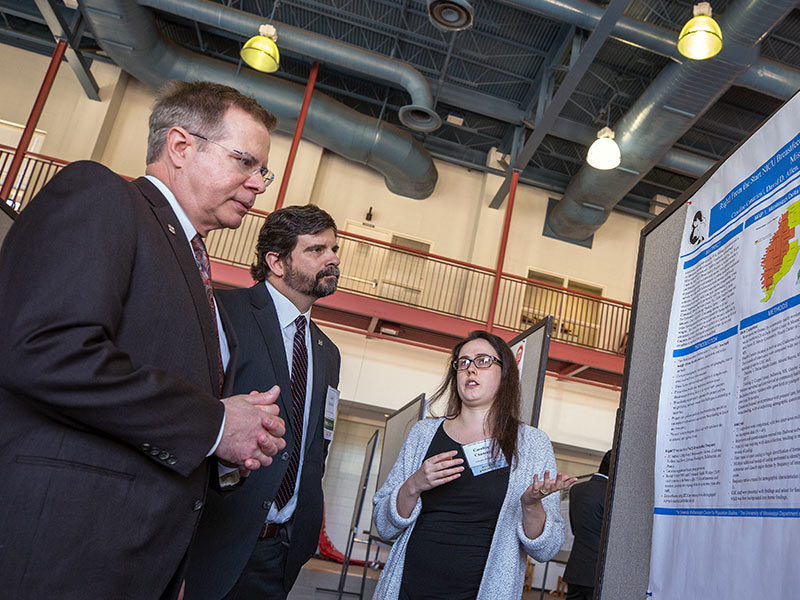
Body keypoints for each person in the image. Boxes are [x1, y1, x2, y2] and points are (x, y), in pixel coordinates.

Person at [0, 80, 287, 600]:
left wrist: (224, 453)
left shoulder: (198, 270)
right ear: (180, 147)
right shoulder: (102, 196)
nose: (258, 184)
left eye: (261, 170)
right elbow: (45, 348)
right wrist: (217, 422)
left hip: (142, 565)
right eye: (245, 161)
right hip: (62, 556)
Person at [185, 204, 342, 600]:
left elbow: (317, 442)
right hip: (211, 539)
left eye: (334, 249)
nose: (333, 258)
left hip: (281, 552)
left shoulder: (327, 352)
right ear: (276, 261)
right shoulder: (222, 313)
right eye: (316, 250)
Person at [372, 330, 577, 600]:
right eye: (463, 362)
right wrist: (413, 485)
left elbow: (546, 549)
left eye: (483, 361)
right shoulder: (423, 434)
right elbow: (384, 526)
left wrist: (530, 505)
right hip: (409, 588)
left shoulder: (531, 444)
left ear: (505, 374)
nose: (470, 369)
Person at [562, 450, 612, 600]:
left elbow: (575, 528)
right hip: (598, 573)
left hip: (575, 569)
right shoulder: (611, 494)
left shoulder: (577, 489)